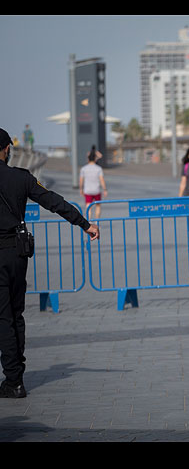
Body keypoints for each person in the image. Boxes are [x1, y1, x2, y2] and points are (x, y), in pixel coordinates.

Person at [0, 128, 100, 398]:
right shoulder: (21, 178)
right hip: (17, 255)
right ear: (6, 150)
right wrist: (85, 224)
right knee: (16, 314)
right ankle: (16, 377)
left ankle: (12, 379)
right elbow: (53, 202)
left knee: (3, 318)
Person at [79, 149, 107, 220]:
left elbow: (81, 180)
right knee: (98, 206)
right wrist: (104, 189)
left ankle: (89, 222)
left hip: (87, 190)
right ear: (95, 159)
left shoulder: (84, 169)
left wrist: (81, 189)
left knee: (88, 206)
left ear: (88, 159)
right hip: (96, 190)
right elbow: (101, 180)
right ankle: (97, 222)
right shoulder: (98, 168)